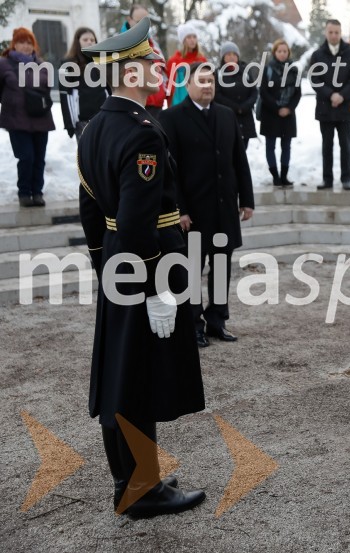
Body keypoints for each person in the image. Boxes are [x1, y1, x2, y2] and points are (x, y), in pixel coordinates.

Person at [78, 17, 205, 517]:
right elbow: (136, 224)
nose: (159, 68)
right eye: (151, 62)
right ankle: (141, 491)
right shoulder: (142, 134)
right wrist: (155, 290)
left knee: (122, 376)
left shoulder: (93, 129)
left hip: (119, 266)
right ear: (130, 74)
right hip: (145, 266)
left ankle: (131, 483)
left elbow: (93, 215)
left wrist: (107, 270)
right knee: (138, 382)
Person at [160, 62, 255, 348]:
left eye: (211, 81)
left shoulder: (226, 115)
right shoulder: (172, 117)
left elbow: (239, 160)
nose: (207, 86)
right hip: (193, 213)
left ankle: (217, 320)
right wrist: (180, 209)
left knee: (222, 265)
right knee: (192, 269)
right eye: (201, 81)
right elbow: (170, 170)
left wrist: (247, 200)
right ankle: (193, 324)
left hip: (224, 209)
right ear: (187, 84)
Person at [0, 27, 55, 207]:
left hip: (41, 118)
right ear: (14, 44)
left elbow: (47, 88)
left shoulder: (42, 65)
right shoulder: (4, 64)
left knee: (39, 159)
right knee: (26, 157)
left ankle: (37, 192)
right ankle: (24, 192)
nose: (26, 46)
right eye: (21, 42)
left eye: (29, 43)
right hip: (17, 120)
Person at [308, 19, 350, 191]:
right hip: (325, 108)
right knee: (327, 146)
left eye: (336, 32)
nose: (333, 35)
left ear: (340, 33)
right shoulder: (317, 55)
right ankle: (327, 179)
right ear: (326, 33)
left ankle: (346, 179)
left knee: (345, 145)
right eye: (330, 32)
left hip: (345, 108)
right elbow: (315, 79)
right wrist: (330, 94)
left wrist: (342, 95)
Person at [259, 39, 301, 186]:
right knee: (270, 146)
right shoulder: (267, 69)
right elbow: (263, 92)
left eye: (285, 51)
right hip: (271, 113)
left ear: (288, 53)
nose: (282, 54)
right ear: (274, 52)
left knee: (286, 146)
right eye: (279, 51)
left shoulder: (294, 71)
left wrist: (288, 108)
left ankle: (284, 176)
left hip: (288, 114)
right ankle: (275, 176)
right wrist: (277, 108)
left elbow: (298, 93)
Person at [59, 27, 108, 144]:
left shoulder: (102, 62)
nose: (89, 42)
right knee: (87, 154)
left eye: (92, 39)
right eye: (85, 39)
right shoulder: (68, 64)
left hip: (104, 118)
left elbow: (109, 91)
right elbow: (65, 95)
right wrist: (69, 124)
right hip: (83, 121)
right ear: (78, 42)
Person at [121, 4, 166, 118]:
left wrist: (164, 94)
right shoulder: (120, 46)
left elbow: (164, 73)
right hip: (135, 105)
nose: (143, 27)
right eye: (139, 22)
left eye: (146, 23)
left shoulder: (153, 45)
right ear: (129, 20)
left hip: (157, 106)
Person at [214, 41, 257, 150]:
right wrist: (235, 107)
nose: (232, 57)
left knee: (243, 149)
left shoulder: (246, 71)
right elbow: (217, 95)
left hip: (245, 117)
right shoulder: (218, 73)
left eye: (234, 54)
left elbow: (254, 91)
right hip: (227, 117)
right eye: (228, 54)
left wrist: (246, 106)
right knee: (229, 149)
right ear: (223, 57)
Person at [165, 22, 206, 107]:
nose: (192, 40)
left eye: (194, 37)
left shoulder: (202, 60)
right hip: (179, 102)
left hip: (199, 101)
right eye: (189, 37)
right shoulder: (174, 61)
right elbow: (170, 86)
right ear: (183, 40)